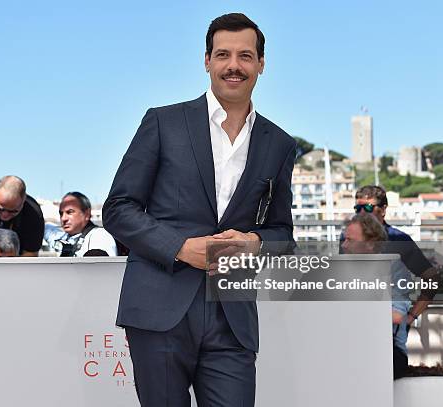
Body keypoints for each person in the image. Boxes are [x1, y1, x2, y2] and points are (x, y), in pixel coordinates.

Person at [103, 13, 296, 406]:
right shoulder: (163, 122)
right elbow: (118, 209)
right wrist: (180, 246)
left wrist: (254, 241)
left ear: (261, 64)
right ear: (206, 60)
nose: (233, 65)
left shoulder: (278, 143)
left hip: (233, 319)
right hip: (160, 307)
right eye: (223, 54)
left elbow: (283, 233)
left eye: (245, 56)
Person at [349, 185, 438, 325]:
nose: (361, 213)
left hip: (392, 320)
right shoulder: (347, 239)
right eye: (357, 209)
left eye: (367, 208)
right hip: (357, 319)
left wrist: (411, 316)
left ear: (383, 209)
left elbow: (432, 278)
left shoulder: (399, 240)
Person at [342, 213, 413, 379]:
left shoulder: (394, 269)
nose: (344, 245)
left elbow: (396, 316)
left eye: (350, 240)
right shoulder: (342, 270)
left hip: (388, 350)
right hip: (352, 344)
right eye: (344, 239)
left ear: (370, 244)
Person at [46, 192, 117, 257]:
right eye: (61, 213)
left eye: (70, 212)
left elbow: (104, 268)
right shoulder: (60, 235)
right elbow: (45, 228)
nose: (63, 218)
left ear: (86, 214)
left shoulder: (99, 236)